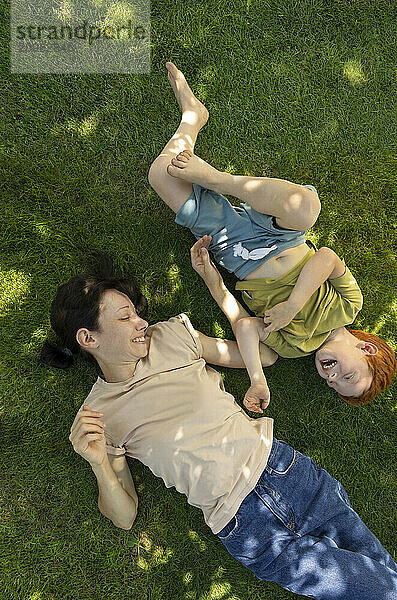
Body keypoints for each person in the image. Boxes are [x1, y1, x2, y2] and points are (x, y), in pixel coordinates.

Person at [39, 252, 397, 600]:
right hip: (248, 526)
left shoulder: (171, 337)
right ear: (89, 339)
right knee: (384, 588)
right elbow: (125, 516)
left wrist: (216, 286)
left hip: (287, 473)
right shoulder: (99, 416)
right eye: (124, 318)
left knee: (386, 585)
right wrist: (99, 462)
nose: (141, 322)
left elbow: (261, 353)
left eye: (136, 313)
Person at [147, 62, 396, 410]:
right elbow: (326, 258)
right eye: (349, 377)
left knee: (161, 174)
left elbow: (245, 326)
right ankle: (218, 179)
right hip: (283, 236)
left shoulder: (292, 348)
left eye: (335, 386)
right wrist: (292, 306)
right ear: (365, 348)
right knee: (305, 206)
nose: (332, 378)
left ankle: (192, 117)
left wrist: (257, 378)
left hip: (233, 250)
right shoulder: (349, 307)